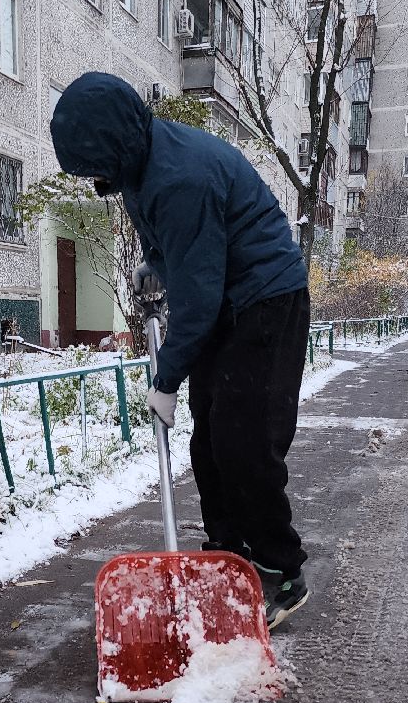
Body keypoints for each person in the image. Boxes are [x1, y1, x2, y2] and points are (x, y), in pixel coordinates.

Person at [50, 72, 312, 629]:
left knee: (244, 440)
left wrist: (165, 378)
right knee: (209, 439)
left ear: (115, 145)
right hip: (226, 297)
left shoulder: (179, 177)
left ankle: (279, 569)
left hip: (265, 298)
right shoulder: (138, 165)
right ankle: (227, 554)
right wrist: (156, 263)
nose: (95, 177)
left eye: (95, 164)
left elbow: (197, 302)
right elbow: (172, 243)